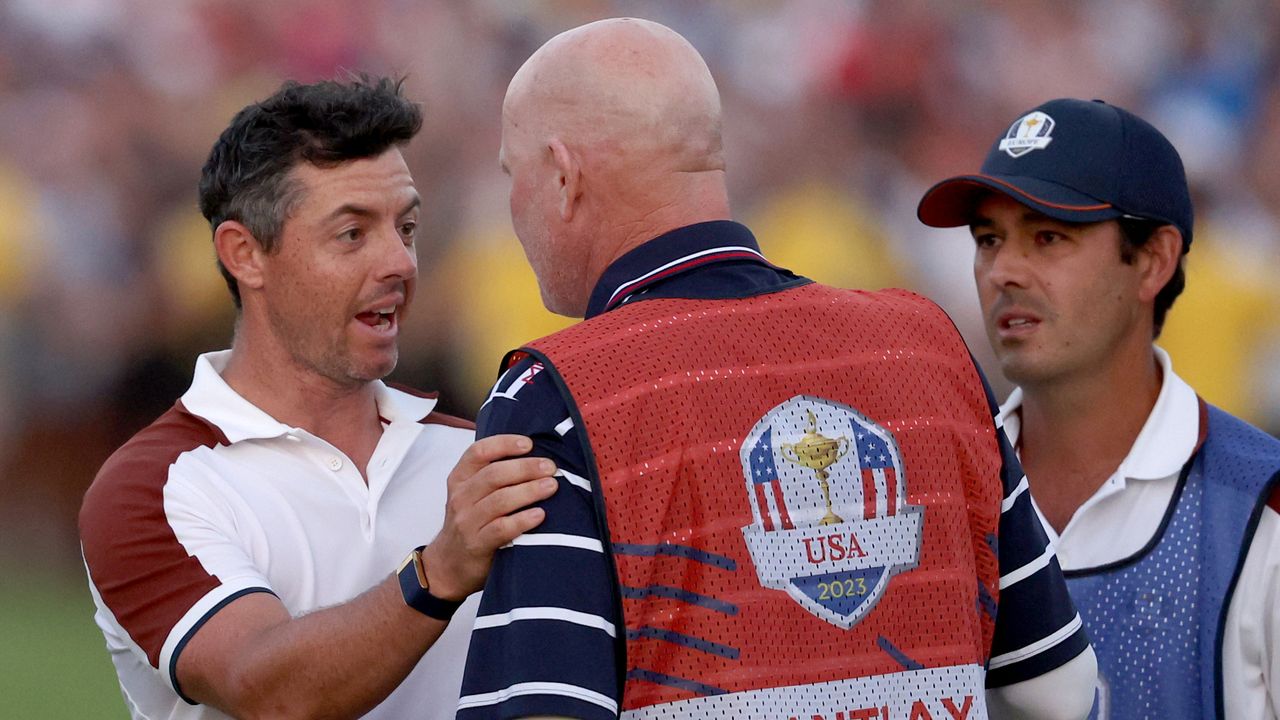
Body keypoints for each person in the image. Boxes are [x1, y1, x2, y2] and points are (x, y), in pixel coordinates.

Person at [456, 18, 1095, 720]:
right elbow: (1057, 689)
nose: (513, 204)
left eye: (513, 175)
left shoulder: (553, 397)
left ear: (563, 175)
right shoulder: (928, 351)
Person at [78, 76, 558, 720]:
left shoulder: (473, 454)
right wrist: (439, 570)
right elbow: (266, 688)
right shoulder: (152, 487)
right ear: (244, 253)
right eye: (352, 234)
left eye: (406, 228)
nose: (401, 262)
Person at [917, 97, 1280, 719]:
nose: (1003, 270)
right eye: (988, 239)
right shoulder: (932, 499)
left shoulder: (1262, 504)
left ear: (1153, 261)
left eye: (1048, 237)